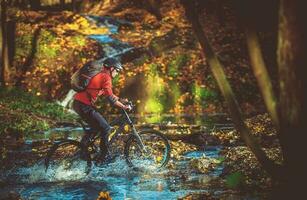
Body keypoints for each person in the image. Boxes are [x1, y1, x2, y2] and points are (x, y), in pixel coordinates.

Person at [72, 57, 131, 163]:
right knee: (106, 128)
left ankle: (83, 150)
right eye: (117, 70)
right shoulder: (106, 77)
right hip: (84, 105)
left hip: (78, 104)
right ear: (111, 68)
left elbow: (107, 93)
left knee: (96, 126)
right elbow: (110, 98)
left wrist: (121, 100)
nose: (117, 73)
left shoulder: (99, 75)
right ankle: (104, 156)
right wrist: (124, 107)